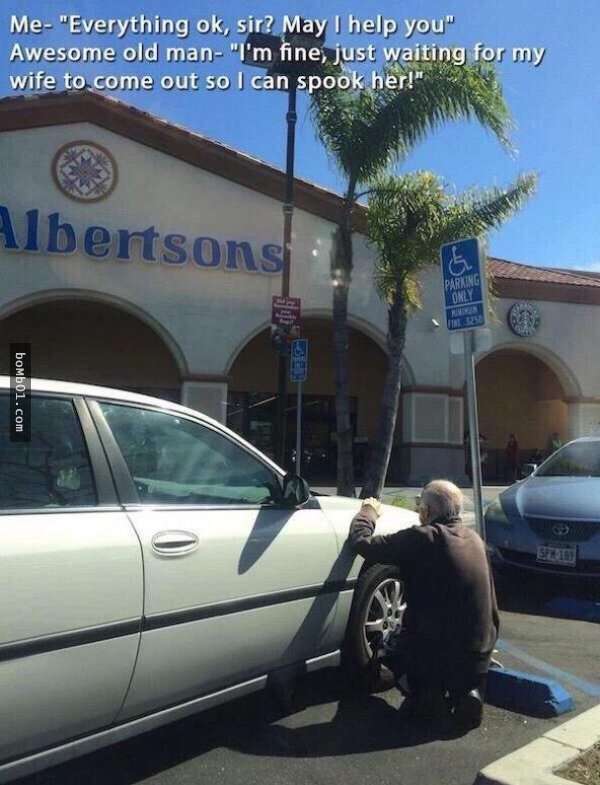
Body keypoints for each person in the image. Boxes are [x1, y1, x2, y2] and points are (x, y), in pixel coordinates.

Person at [348, 480, 499, 728]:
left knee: (392, 642)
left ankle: (426, 696)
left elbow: (362, 543)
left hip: (437, 651)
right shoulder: (475, 540)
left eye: (420, 505)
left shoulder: (424, 538)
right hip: (480, 650)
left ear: (427, 512)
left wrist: (368, 512)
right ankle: (470, 694)